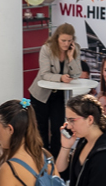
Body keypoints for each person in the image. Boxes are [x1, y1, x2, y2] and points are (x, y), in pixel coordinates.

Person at [27, 23, 81, 154]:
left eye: (69, 41)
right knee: (41, 130)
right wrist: (61, 78)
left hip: (58, 95)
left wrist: (70, 57)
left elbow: (77, 73)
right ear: (57, 38)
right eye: (63, 40)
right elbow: (44, 74)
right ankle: (42, 159)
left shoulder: (75, 49)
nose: (66, 44)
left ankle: (57, 160)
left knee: (58, 129)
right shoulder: (47, 49)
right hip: (41, 94)